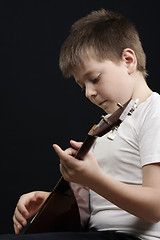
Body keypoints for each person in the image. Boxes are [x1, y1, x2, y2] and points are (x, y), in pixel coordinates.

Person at [10, 9, 160, 240]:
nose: (89, 93)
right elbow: (103, 203)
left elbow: (155, 207)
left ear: (128, 60)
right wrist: (54, 202)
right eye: (82, 86)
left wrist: (93, 179)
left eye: (95, 79)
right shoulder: (108, 125)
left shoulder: (154, 111)